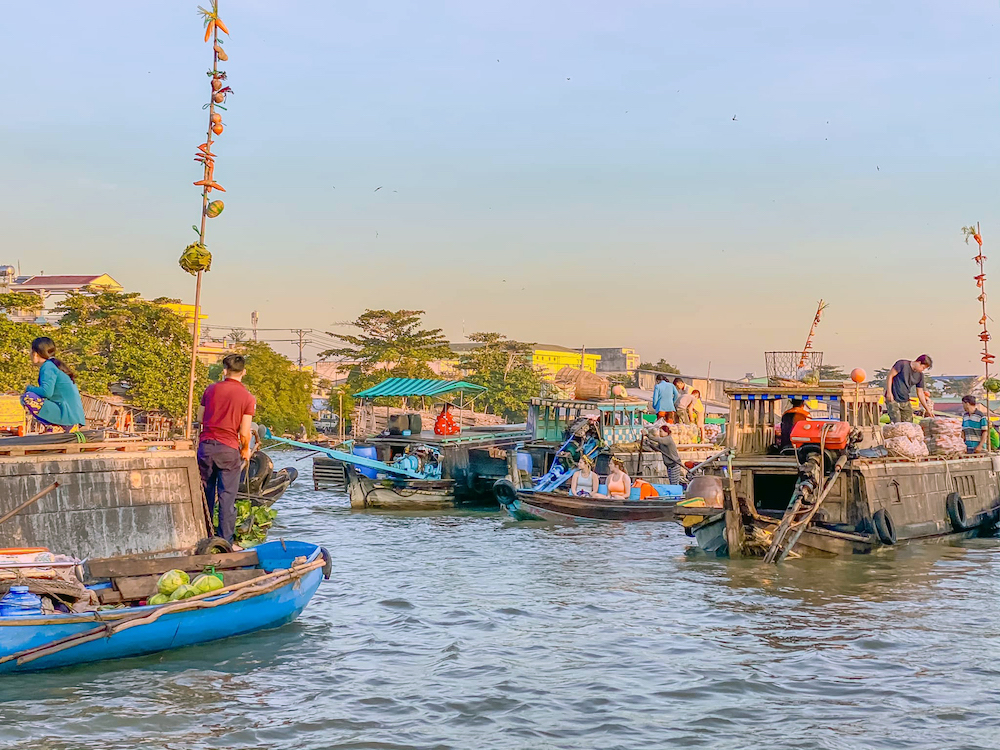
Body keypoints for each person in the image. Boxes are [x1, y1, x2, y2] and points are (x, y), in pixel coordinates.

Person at [197, 353, 255, 545]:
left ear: (224, 371)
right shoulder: (247, 397)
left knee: (206, 495)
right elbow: (245, 432)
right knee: (226, 498)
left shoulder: (210, 389)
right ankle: (224, 543)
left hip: (205, 447)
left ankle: (204, 536)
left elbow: (199, 418)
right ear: (243, 372)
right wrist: (246, 449)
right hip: (228, 449)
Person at [21, 337, 85, 433]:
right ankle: (57, 426)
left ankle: (57, 427)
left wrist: (28, 388)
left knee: (28, 397)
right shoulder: (54, 364)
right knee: (28, 396)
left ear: (35, 354)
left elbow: (46, 392)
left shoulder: (48, 366)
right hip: (73, 415)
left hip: (68, 416)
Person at [885, 355, 934, 423]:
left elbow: (920, 393)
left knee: (909, 424)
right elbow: (890, 376)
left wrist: (927, 409)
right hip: (894, 398)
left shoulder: (920, 376)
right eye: (923, 367)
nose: (923, 370)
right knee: (897, 423)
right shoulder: (902, 364)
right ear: (919, 362)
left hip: (905, 400)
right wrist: (889, 393)